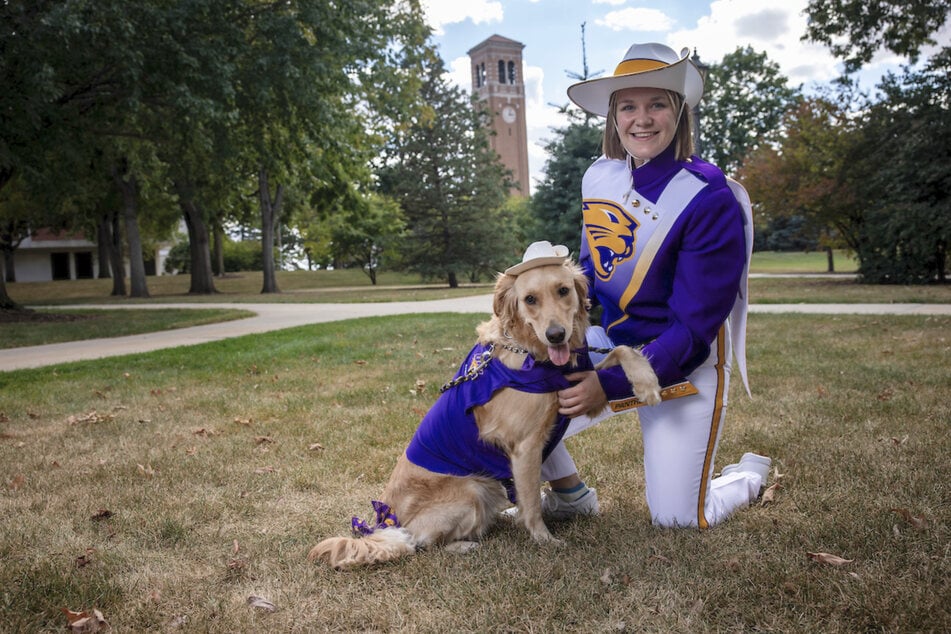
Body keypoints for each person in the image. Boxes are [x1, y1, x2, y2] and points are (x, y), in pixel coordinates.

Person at [537, 42, 770, 529]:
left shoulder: (709, 197)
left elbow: (691, 332)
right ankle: (570, 494)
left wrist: (606, 383)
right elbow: (588, 278)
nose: (641, 120)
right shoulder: (599, 177)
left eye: (657, 104)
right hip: (616, 347)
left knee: (677, 520)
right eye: (628, 106)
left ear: (678, 112)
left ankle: (747, 474)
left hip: (684, 366)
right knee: (513, 381)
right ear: (613, 117)